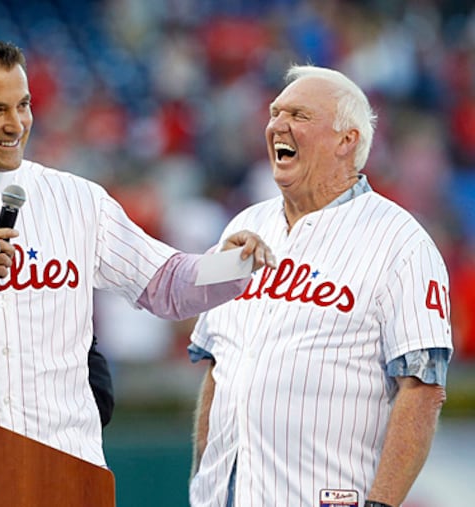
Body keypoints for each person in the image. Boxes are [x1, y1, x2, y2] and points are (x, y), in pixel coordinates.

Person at [0, 36, 276, 467]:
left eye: (22, 106)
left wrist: (231, 263)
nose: (15, 124)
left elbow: (165, 284)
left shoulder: (78, 199)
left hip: (64, 470)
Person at [188, 64, 452, 507]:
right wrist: (202, 483)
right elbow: (218, 366)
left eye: (299, 115)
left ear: (347, 140)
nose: (278, 125)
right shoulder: (242, 225)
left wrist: (380, 504)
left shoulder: (401, 241)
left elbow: (422, 390)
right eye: (275, 113)